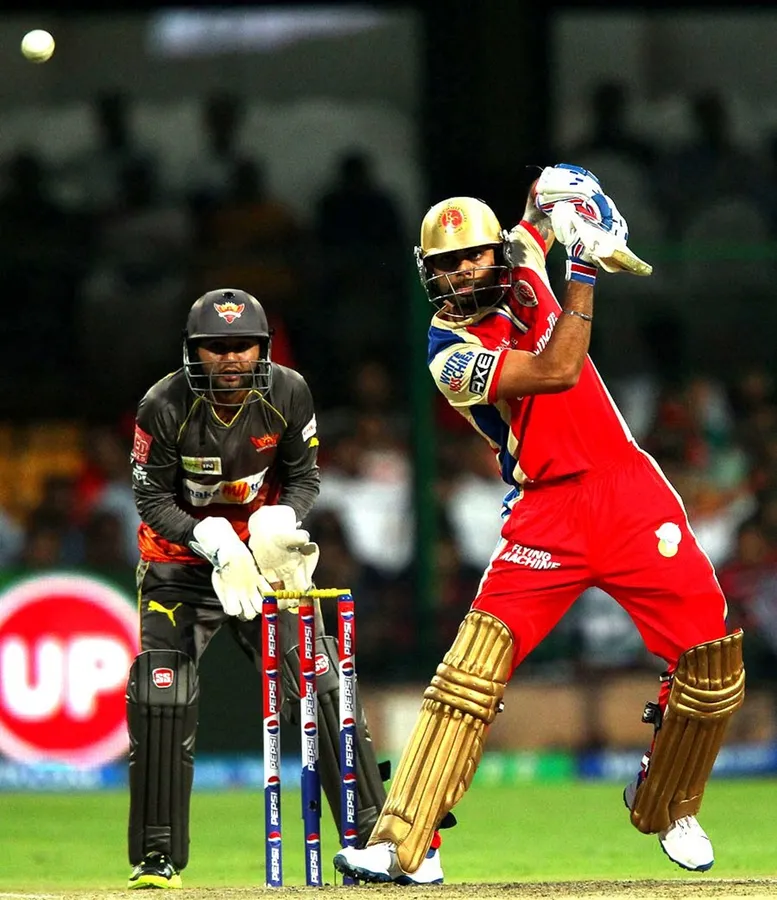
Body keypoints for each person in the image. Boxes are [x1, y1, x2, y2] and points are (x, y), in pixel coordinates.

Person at [334, 164, 745, 883]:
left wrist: (566, 189)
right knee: (470, 672)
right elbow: (558, 370)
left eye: (472, 256)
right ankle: (404, 844)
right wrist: (583, 267)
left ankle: (666, 800)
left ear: (496, 250)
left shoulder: (522, 253)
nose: (461, 273)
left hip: (626, 490)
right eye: (445, 265)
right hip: (547, 509)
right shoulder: (448, 354)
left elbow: (539, 206)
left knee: (709, 661)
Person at [125, 288, 392, 888]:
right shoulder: (163, 405)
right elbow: (150, 497)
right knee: (162, 696)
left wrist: (281, 522)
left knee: (320, 683)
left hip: (265, 565)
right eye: (215, 347)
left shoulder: (288, 392)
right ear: (192, 351)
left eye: (242, 346)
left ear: (263, 349)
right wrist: (209, 539)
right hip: (180, 567)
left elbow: (304, 477)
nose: (230, 359)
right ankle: (157, 856)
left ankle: (374, 835)